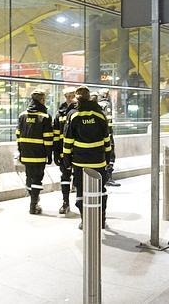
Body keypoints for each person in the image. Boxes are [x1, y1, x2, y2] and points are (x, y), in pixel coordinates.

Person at [62, 86, 111, 229]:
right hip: (98, 159)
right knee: (100, 189)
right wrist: (107, 158)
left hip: (80, 161)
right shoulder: (100, 114)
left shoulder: (73, 114)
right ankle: (101, 219)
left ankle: (85, 220)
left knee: (81, 190)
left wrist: (67, 159)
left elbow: (68, 140)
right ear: (90, 97)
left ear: (77, 98)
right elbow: (106, 139)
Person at [16, 89, 54, 215]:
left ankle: (33, 199)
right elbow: (48, 138)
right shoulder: (45, 117)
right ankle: (33, 205)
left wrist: (21, 151)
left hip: (26, 153)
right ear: (42, 100)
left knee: (28, 176)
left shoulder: (22, 115)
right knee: (37, 179)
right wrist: (49, 155)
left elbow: (18, 135)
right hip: (39, 154)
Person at [52, 86, 77, 214]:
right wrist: (56, 153)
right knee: (65, 177)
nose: (70, 98)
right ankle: (65, 203)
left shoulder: (80, 111)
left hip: (79, 152)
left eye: (72, 95)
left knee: (79, 179)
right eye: (68, 95)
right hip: (64, 153)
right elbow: (56, 135)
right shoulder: (59, 114)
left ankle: (82, 205)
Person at [98, 88, 120, 187]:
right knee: (110, 155)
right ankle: (109, 177)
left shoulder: (98, 105)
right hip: (108, 134)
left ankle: (104, 177)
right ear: (106, 95)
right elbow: (108, 121)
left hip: (101, 135)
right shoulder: (107, 105)